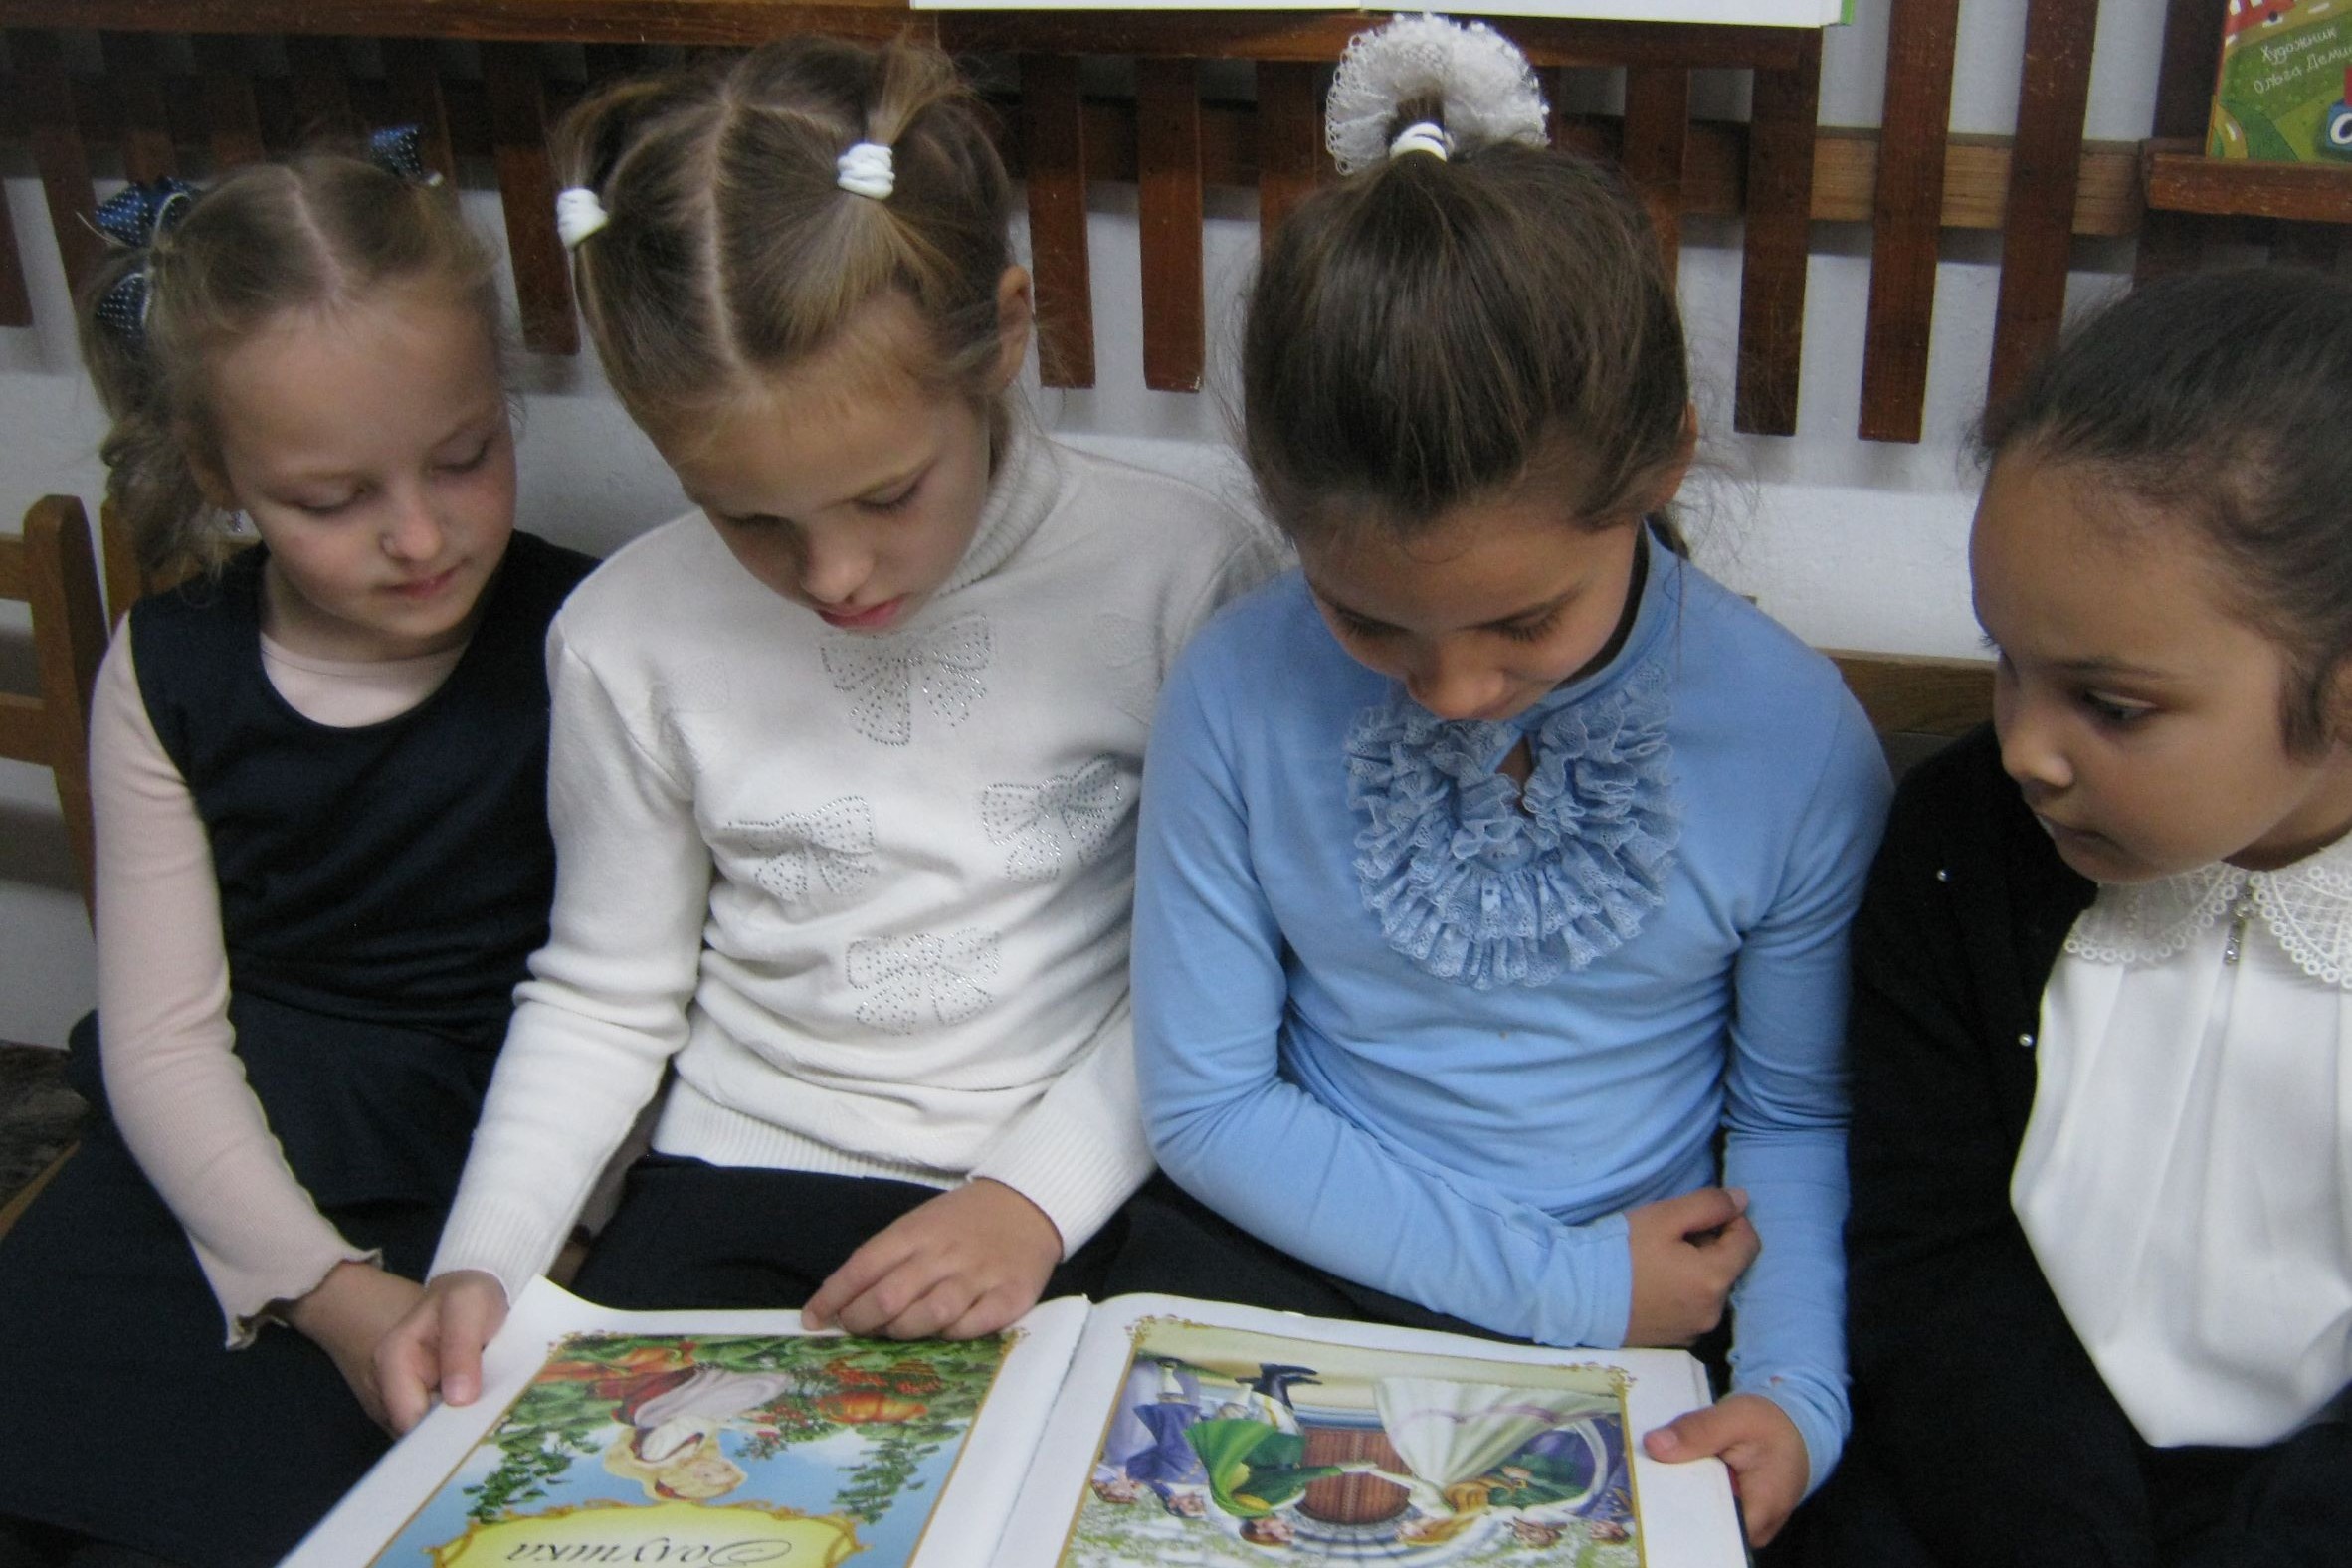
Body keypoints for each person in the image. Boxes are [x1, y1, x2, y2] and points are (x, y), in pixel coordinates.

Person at [375, 35, 1269, 1433]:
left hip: (1079, 1170)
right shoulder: (622, 635)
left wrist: (1029, 1200)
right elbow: (605, 992)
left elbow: (1215, 975)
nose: (836, 576)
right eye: (751, 519)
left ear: (1006, 333)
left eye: (888, 493)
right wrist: (485, 1259)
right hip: (742, 1169)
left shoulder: (1183, 574)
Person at [1123, 15, 1890, 1550]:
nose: (1457, 692)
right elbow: (1207, 1103)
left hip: (1656, 1303)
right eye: (1368, 621)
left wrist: (1797, 1387)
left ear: (1663, 467)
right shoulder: (1233, 691)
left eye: (1524, 623)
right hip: (1298, 1255)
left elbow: (1795, 1119)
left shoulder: (1794, 738)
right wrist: (1560, 1282)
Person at [0, 140, 594, 1568]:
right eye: (334, 500)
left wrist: (525, 1249)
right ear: (220, 473)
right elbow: (161, 1037)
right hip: (226, 1141)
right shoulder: (171, 664)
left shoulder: (591, 639)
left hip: (504, 1149)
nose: (419, 534)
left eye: (465, 457)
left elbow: (635, 993)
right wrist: (324, 1291)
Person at [1822, 267, 2352, 1568]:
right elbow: (1932, 1258)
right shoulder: (1960, 848)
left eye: (2111, 707)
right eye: (2005, 662)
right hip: (1994, 1495)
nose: (2025, 750)